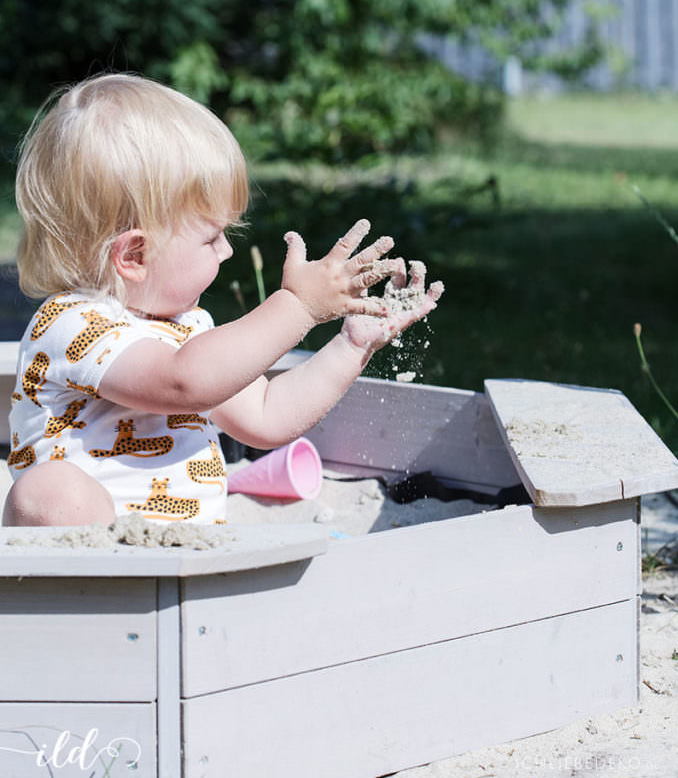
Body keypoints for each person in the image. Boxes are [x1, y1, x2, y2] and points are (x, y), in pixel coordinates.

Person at [3, 74, 443, 527]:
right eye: (213, 238)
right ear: (134, 254)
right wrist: (298, 306)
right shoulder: (73, 325)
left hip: (187, 566)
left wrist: (352, 345)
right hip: (91, 575)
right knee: (49, 490)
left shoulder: (188, 329)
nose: (227, 251)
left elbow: (269, 414)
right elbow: (183, 382)